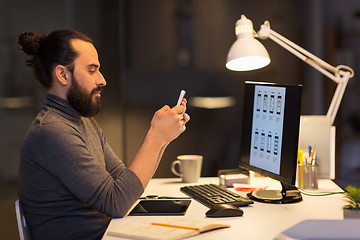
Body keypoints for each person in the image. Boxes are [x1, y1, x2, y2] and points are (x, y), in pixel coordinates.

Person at [17, 29, 190, 240]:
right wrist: (156, 136)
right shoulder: (52, 132)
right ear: (63, 75)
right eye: (92, 71)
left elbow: (124, 183)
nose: (102, 80)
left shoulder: (83, 122)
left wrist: (164, 138)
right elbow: (116, 202)